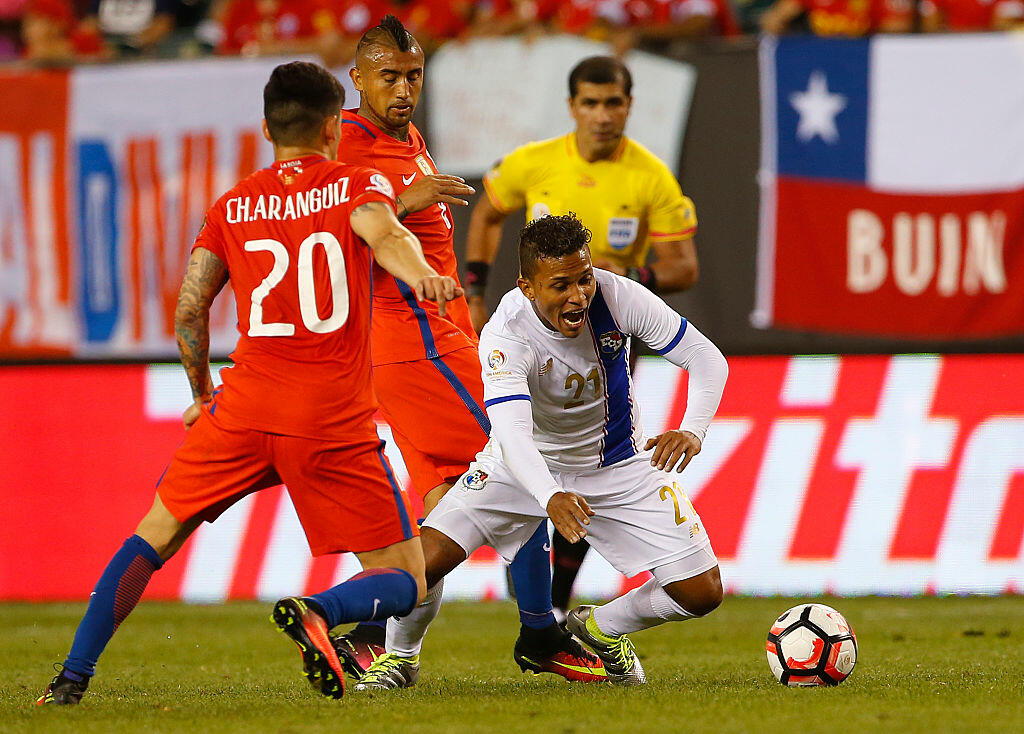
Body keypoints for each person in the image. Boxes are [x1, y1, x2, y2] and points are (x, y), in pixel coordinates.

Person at [36, 60, 463, 705]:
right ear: (331, 125)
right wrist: (420, 272)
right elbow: (388, 233)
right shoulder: (357, 183)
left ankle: (71, 679)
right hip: (329, 421)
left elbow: (189, 307)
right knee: (405, 577)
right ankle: (319, 611)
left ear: (266, 126)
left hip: (241, 409)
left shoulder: (231, 205)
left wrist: (203, 395)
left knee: (151, 538)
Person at [328, 14, 604, 683]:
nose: (403, 88)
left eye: (413, 74)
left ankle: (379, 645)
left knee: (448, 503)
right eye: (388, 76)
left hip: (436, 334)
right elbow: (328, 236)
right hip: (408, 338)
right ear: (357, 77)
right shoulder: (344, 143)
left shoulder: (408, 135)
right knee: (518, 460)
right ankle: (540, 632)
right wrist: (404, 196)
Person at [355, 213, 727, 690]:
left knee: (701, 592)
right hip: (521, 465)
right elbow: (510, 433)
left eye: (584, 279)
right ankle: (400, 657)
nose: (578, 296)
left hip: (616, 465)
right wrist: (549, 494)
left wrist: (693, 430)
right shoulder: (506, 333)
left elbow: (706, 358)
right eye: (560, 285)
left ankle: (598, 628)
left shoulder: (618, 297)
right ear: (527, 287)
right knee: (420, 563)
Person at [463, 55, 701, 620]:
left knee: (591, 464)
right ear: (572, 107)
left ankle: (556, 606)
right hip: (533, 341)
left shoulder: (651, 177)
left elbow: (684, 267)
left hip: (605, 344)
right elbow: (487, 215)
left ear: (629, 105)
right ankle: (522, 557)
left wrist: (625, 281)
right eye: (590, 103)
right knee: (519, 448)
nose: (601, 115)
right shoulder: (533, 163)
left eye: (613, 103)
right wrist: (473, 287)